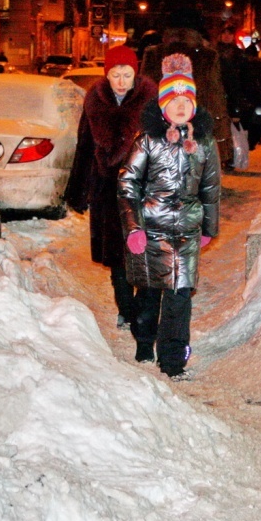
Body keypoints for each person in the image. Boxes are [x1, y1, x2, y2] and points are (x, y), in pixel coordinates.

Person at [118, 53, 221, 380]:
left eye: (186, 100)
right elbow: (127, 182)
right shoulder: (147, 140)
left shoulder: (204, 142)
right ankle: (144, 340)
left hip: (187, 230)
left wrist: (209, 227)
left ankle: (173, 361)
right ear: (163, 105)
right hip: (151, 228)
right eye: (173, 100)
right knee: (150, 293)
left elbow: (211, 187)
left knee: (180, 296)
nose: (180, 106)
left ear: (194, 105)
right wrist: (134, 227)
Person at [63, 45, 158, 331]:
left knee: (142, 250)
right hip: (106, 190)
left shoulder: (149, 102)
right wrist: (78, 190)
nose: (120, 81)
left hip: (141, 191)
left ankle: (142, 307)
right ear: (106, 75)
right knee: (116, 255)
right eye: (115, 75)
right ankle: (126, 310)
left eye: (126, 74)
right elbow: (84, 146)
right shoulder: (95, 102)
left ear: (135, 74)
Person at [140, 8, 234, 170]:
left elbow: (144, 95)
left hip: (159, 126)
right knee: (193, 175)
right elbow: (215, 98)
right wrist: (222, 142)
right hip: (196, 128)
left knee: (160, 174)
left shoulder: (153, 54)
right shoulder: (208, 56)